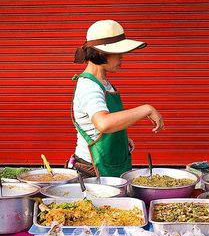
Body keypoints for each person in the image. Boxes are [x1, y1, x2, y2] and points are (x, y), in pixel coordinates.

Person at [68, 19, 164, 177]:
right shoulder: (89, 86)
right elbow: (103, 123)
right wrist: (146, 108)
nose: (122, 57)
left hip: (110, 163)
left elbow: (104, 124)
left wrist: (119, 139)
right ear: (101, 53)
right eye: (118, 53)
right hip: (93, 169)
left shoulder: (103, 83)